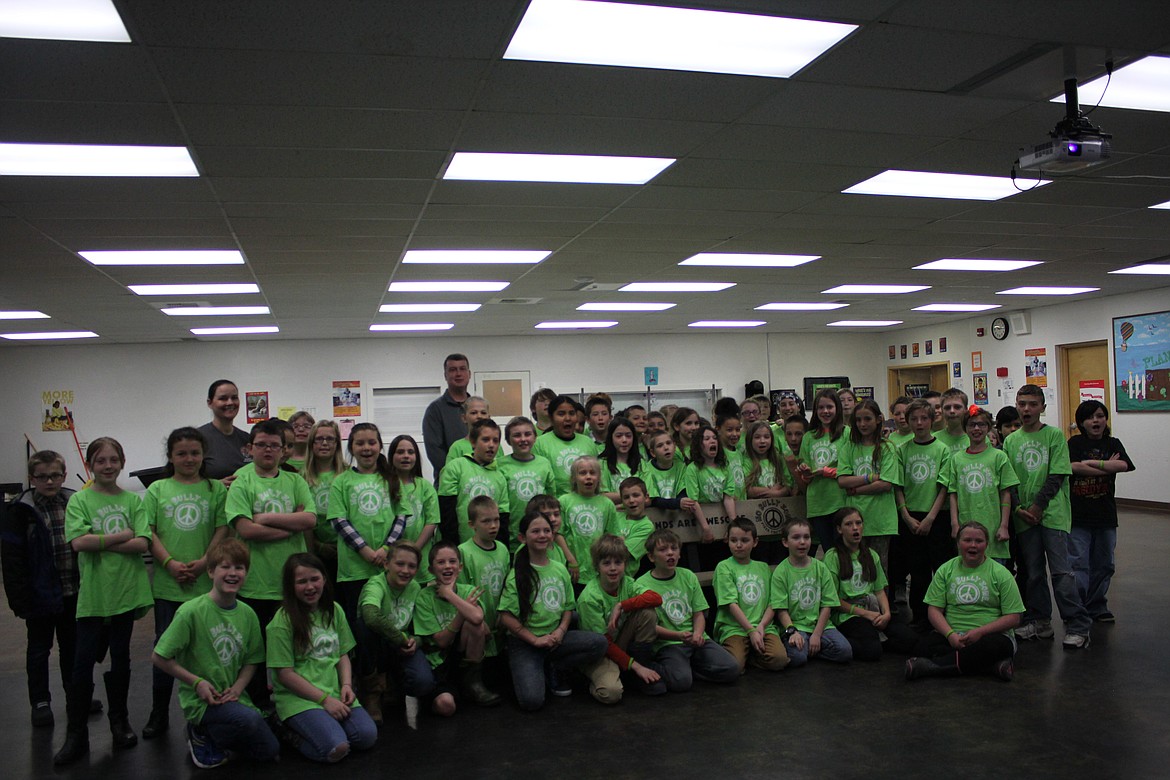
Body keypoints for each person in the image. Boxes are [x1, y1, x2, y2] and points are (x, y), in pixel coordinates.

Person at [56, 437, 153, 764]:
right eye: (101, 461)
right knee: (82, 665)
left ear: (121, 462)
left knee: (121, 659)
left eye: (113, 460)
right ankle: (76, 733)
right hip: (94, 594)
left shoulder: (133, 501)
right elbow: (79, 543)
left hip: (125, 592)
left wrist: (104, 541)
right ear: (91, 465)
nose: (108, 466)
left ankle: (119, 720)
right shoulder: (80, 501)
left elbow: (142, 543)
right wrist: (121, 536)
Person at [152, 538, 280, 769]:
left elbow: (252, 660)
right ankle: (198, 730)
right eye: (225, 567)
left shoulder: (248, 614)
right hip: (202, 699)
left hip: (231, 696)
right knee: (249, 722)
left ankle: (221, 732)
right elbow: (159, 657)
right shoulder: (191, 612)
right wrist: (196, 682)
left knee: (269, 751)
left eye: (239, 568)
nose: (233, 573)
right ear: (210, 571)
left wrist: (239, 687)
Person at [1, 450, 100, 729]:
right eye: (42, 477)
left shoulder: (75, 501)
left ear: (64, 475)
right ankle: (40, 701)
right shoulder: (19, 512)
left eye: (55, 475)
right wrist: (20, 599)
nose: (49, 481)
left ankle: (75, 696)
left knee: (74, 648)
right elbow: (12, 561)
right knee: (39, 650)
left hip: (74, 592)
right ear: (32, 478)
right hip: (39, 594)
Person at [143, 427, 230, 739]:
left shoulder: (215, 490)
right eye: (181, 453)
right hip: (169, 586)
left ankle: (210, 713)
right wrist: (170, 563)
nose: (189, 458)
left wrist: (206, 562)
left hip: (206, 585)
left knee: (207, 652)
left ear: (202, 455)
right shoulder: (157, 490)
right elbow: (149, 531)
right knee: (164, 648)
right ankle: (158, 713)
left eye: (194, 453)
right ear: (170, 457)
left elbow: (222, 528)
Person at [227, 419, 316, 710]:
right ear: (250, 449)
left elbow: (310, 520)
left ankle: (295, 706)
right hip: (255, 584)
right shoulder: (243, 483)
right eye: (262, 445)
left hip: (293, 584)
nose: (268, 450)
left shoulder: (295, 481)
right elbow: (246, 530)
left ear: (283, 451)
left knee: (295, 649)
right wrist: (291, 525)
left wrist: (263, 518)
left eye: (274, 446)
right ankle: (261, 710)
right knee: (256, 654)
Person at [1004, 385, 1092, 649]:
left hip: (1051, 515)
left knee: (1062, 573)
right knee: (1033, 573)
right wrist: (1020, 507)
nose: (1027, 409)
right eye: (1022, 404)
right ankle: (1039, 621)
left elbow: (1057, 475)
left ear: (1042, 407)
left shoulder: (1054, 436)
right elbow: (1008, 479)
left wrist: (1038, 507)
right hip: (1023, 517)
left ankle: (1077, 625)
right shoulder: (1010, 440)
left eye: (1032, 404)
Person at [267, 553, 377, 763]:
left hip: (334, 692)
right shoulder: (282, 621)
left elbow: (343, 653)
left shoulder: (334, 610)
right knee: (336, 748)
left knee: (366, 737)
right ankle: (286, 730)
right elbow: (284, 674)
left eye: (314, 579)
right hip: (300, 699)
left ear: (324, 580)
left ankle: (324, 726)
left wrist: (346, 685)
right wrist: (324, 700)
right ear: (290, 585)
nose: (310, 587)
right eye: (302, 582)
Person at [498, 510, 608, 711]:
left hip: (554, 639)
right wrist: (535, 640)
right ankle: (531, 667)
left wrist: (560, 631)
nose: (542, 535)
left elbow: (568, 607)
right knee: (532, 702)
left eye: (546, 531)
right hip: (525, 643)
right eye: (535, 531)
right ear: (523, 537)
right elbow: (505, 617)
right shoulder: (517, 574)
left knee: (599, 644)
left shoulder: (559, 568)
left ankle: (554, 666)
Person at [905, 523, 1023, 681]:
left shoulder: (1001, 573)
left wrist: (980, 632)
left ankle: (933, 667)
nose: (973, 545)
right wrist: (950, 635)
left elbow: (1014, 617)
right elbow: (934, 610)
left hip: (990, 636)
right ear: (958, 543)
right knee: (921, 647)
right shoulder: (946, 570)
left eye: (979, 541)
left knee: (995, 647)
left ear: (987, 545)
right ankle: (991, 666)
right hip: (954, 635)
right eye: (967, 540)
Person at [635, 528, 739, 691]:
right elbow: (649, 626)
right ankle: (664, 668)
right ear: (651, 556)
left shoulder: (688, 576)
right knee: (681, 683)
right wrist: (678, 635)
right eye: (663, 550)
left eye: (674, 548)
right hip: (669, 643)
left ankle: (688, 669)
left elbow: (699, 613)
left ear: (679, 553)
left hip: (696, 639)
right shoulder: (641, 585)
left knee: (732, 669)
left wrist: (697, 634)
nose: (670, 553)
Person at [329, 422, 407, 634]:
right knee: (359, 622)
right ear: (351, 448)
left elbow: (401, 516)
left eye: (372, 442)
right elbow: (339, 521)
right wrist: (365, 550)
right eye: (360, 443)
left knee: (386, 617)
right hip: (354, 568)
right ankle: (365, 667)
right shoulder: (341, 481)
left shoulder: (391, 479)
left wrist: (386, 549)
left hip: (386, 564)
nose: (366, 448)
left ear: (380, 446)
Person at [577, 534, 666, 702]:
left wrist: (622, 605)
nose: (613, 568)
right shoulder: (589, 598)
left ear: (625, 564)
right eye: (606, 563)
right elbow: (604, 643)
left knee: (647, 612)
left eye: (618, 562)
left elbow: (656, 598)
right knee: (612, 693)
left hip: (620, 642)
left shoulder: (627, 582)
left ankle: (634, 673)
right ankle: (600, 678)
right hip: (600, 652)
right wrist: (636, 667)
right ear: (597, 566)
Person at [1067, 400, 1134, 623]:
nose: (1095, 421)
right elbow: (1072, 466)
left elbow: (1123, 465)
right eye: (1090, 417)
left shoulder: (1113, 442)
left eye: (1100, 416)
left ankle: (1097, 605)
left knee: (1104, 565)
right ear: (1081, 422)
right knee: (1079, 564)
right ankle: (1079, 608)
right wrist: (1106, 465)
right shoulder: (1074, 443)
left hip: (1105, 516)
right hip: (1078, 516)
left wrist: (1092, 464)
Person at [413, 541, 496, 715]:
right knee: (447, 707)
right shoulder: (424, 597)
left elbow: (477, 617)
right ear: (431, 570)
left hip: (463, 655)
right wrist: (461, 611)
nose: (447, 566)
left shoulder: (468, 590)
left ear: (460, 567)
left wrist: (449, 594)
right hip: (440, 662)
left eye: (452, 562)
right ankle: (434, 696)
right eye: (441, 562)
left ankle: (473, 684)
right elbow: (442, 642)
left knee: (476, 625)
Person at [825, 508, 916, 661]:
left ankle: (877, 642)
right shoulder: (832, 557)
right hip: (847, 614)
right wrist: (866, 614)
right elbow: (833, 600)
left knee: (909, 639)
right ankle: (841, 643)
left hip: (872, 610)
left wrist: (886, 614)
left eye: (858, 523)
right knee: (872, 652)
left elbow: (879, 590)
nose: (855, 528)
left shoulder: (871, 554)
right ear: (839, 529)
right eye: (849, 524)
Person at [894, 399, 952, 629]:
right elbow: (897, 486)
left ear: (932, 420)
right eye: (914, 419)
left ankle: (943, 616)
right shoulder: (902, 450)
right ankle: (919, 618)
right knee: (918, 573)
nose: (919, 423)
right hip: (910, 517)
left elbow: (944, 487)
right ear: (907, 422)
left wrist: (931, 517)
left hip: (935, 517)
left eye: (924, 418)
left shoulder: (942, 449)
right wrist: (906, 516)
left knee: (940, 569)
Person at [358, 542, 427, 728]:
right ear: (387, 564)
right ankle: (373, 692)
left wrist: (416, 641)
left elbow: (422, 627)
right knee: (365, 626)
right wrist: (401, 639)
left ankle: (394, 684)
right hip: (380, 645)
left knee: (423, 682)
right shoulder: (376, 583)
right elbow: (371, 616)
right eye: (400, 564)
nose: (405, 570)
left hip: (402, 648)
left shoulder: (416, 588)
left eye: (412, 566)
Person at [770, 519, 852, 667]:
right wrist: (792, 632)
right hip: (796, 626)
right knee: (797, 658)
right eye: (796, 538)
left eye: (806, 537)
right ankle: (807, 647)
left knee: (844, 652)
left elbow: (828, 604)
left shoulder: (820, 568)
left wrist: (817, 634)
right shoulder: (781, 572)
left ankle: (811, 646)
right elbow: (780, 609)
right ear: (785, 542)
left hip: (821, 625)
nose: (802, 542)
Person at [713, 518, 789, 674]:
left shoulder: (763, 567)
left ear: (755, 542)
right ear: (727, 541)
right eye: (734, 540)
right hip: (735, 628)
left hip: (763, 626)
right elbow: (730, 603)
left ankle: (751, 656)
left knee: (779, 660)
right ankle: (742, 654)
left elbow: (772, 602)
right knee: (734, 667)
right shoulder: (724, 567)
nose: (738, 545)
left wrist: (761, 626)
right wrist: (751, 631)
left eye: (744, 540)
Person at [945, 408, 1019, 566]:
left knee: (995, 574)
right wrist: (954, 524)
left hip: (993, 529)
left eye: (981, 425)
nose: (976, 429)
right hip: (966, 526)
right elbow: (953, 493)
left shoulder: (999, 457)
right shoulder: (957, 459)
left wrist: (1004, 526)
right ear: (965, 428)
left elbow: (1005, 494)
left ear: (989, 428)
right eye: (972, 425)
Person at [455, 496, 509, 704]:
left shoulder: (503, 550)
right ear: (472, 524)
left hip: (498, 619)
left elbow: (505, 585)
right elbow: (464, 593)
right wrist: (480, 619)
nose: (493, 526)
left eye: (496, 520)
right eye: (486, 521)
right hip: (477, 621)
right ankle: (471, 683)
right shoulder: (464, 552)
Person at [836, 399, 899, 575]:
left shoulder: (887, 448)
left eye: (867, 419)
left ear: (878, 419)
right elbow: (842, 481)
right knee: (855, 569)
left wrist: (856, 489)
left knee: (879, 570)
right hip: (854, 519)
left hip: (880, 520)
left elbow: (886, 484)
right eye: (858, 420)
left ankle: (881, 603)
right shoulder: (849, 447)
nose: (862, 424)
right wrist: (870, 477)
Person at [438, 418, 510, 545]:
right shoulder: (456, 467)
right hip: (457, 544)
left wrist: (500, 548)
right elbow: (446, 511)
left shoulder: (499, 476)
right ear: (473, 442)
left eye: (495, 440)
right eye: (485, 439)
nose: (491, 445)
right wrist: (453, 546)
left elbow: (503, 517)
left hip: (488, 549)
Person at [797, 389, 849, 553]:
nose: (825, 411)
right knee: (829, 552)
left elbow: (851, 469)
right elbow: (806, 472)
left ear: (837, 408)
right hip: (817, 503)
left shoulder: (847, 433)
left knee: (843, 551)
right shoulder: (809, 437)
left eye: (829, 407)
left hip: (840, 500)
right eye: (820, 407)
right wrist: (805, 473)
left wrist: (826, 472)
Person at [497, 416, 556, 551]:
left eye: (527, 434)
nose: (523, 439)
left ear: (535, 437)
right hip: (511, 535)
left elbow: (551, 497)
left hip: (540, 535)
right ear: (508, 440)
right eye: (517, 435)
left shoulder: (544, 463)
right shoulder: (500, 465)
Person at [388, 434, 440, 583]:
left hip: (421, 557)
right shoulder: (385, 485)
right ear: (392, 456)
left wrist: (414, 551)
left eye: (410, 452)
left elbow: (432, 521)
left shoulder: (425, 487)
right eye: (400, 452)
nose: (406, 456)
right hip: (393, 556)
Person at [559, 456, 618, 586]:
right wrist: (571, 559)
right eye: (582, 473)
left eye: (592, 473)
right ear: (574, 478)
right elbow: (558, 533)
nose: (588, 477)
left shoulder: (607, 504)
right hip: (572, 568)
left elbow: (612, 537)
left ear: (599, 477)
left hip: (598, 571)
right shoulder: (564, 501)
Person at [532, 395, 598, 495]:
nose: (567, 418)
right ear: (551, 417)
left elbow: (596, 477)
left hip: (585, 505)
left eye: (572, 413)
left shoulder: (588, 442)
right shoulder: (539, 443)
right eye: (561, 414)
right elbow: (538, 480)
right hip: (554, 506)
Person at [304, 420, 345, 578]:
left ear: (337, 444)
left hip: (346, 549)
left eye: (330, 439)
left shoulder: (347, 474)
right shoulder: (301, 478)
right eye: (319, 439)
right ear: (312, 444)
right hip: (315, 550)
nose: (325, 443)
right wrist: (318, 546)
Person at [422, 353, 471, 478]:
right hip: (450, 484)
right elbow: (435, 452)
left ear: (469, 374)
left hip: (479, 481)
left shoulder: (477, 407)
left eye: (462, 369)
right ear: (445, 375)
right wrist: (459, 475)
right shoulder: (435, 410)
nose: (458, 374)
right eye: (453, 370)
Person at [199, 379, 250, 485]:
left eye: (234, 398)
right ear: (210, 403)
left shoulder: (247, 438)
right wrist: (216, 485)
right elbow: (182, 480)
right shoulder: (197, 438)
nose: (230, 402)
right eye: (223, 398)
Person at [607, 477, 656, 566]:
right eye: (626, 497)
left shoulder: (646, 527)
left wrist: (609, 539)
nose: (631, 500)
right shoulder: (616, 515)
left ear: (646, 497)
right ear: (622, 501)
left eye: (636, 495)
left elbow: (622, 553)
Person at [599, 417, 642, 504]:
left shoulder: (641, 464)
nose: (624, 440)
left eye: (628, 436)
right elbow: (602, 496)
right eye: (619, 436)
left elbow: (647, 496)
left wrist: (621, 501)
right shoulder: (602, 464)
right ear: (611, 438)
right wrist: (635, 496)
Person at [444, 396, 490, 463]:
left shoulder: (494, 445)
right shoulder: (457, 447)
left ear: (488, 417)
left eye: (483, 413)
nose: (479, 416)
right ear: (464, 418)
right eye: (474, 413)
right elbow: (449, 472)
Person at [935, 388, 971, 455]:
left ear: (966, 410)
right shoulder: (934, 439)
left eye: (957, 407)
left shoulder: (978, 438)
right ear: (942, 411)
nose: (952, 411)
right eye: (947, 408)